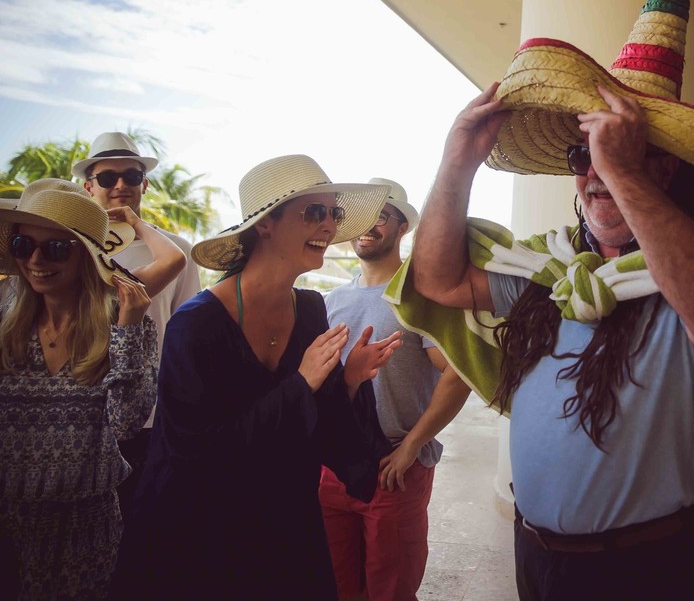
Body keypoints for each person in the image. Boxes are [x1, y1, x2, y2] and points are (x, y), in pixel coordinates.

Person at [389, 0, 694, 601]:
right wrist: (457, 164)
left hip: (642, 567)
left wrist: (620, 168)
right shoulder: (551, 270)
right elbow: (438, 281)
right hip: (536, 553)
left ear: (666, 169)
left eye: (621, 152)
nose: (594, 173)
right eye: (584, 155)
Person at [115, 155, 399, 601]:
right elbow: (196, 453)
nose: (329, 225)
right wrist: (301, 382)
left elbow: (320, 426)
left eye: (335, 212)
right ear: (265, 224)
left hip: (284, 525)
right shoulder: (197, 324)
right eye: (314, 212)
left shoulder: (311, 309)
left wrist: (348, 380)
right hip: (201, 537)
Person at [0, 178, 185, 600]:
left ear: (85, 254)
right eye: (23, 245)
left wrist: (128, 331)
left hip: (86, 525)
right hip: (9, 521)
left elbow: (126, 422)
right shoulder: (6, 321)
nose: (36, 260)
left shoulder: (119, 315)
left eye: (56, 248)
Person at [319, 178, 471, 601]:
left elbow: (458, 374)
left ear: (403, 227)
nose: (368, 226)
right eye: (359, 216)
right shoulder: (331, 301)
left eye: (381, 216)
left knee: (391, 591)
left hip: (393, 468)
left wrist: (412, 447)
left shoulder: (419, 296)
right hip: (333, 468)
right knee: (336, 585)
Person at [72, 131, 203, 513]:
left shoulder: (177, 250)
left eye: (131, 176)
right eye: (107, 177)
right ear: (88, 186)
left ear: (144, 184)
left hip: (153, 411)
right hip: (82, 408)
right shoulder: (71, 250)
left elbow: (184, 332)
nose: (120, 186)